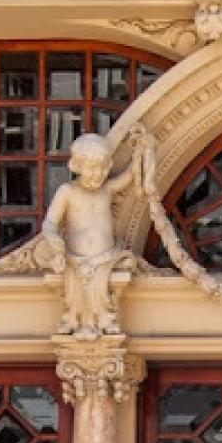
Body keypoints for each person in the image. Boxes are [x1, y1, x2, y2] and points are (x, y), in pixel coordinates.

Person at [39, 131, 145, 337]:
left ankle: (104, 318)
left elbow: (128, 177)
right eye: (92, 169)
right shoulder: (67, 191)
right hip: (75, 260)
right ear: (77, 166)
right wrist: (53, 238)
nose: (98, 175)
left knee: (101, 296)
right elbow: (50, 222)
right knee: (76, 294)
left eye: (102, 169)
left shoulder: (107, 189)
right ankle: (75, 319)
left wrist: (139, 151)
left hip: (106, 258)